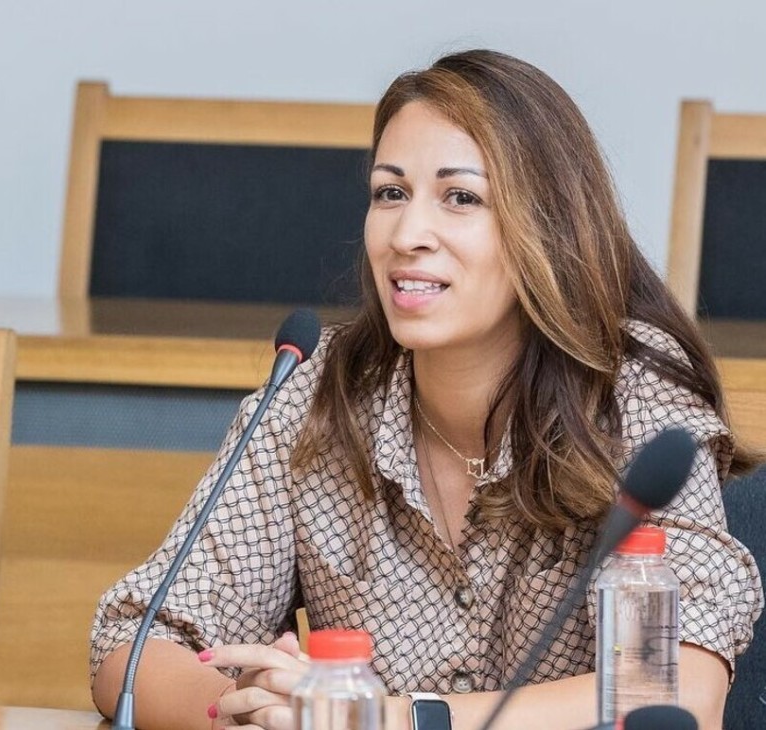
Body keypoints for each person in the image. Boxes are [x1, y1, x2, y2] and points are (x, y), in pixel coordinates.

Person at [90, 49, 763, 730]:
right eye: (390, 193)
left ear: (549, 227)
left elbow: (672, 693)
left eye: (461, 197)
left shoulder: (633, 393)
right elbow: (132, 648)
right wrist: (262, 715)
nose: (407, 235)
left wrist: (384, 720)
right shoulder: (319, 390)